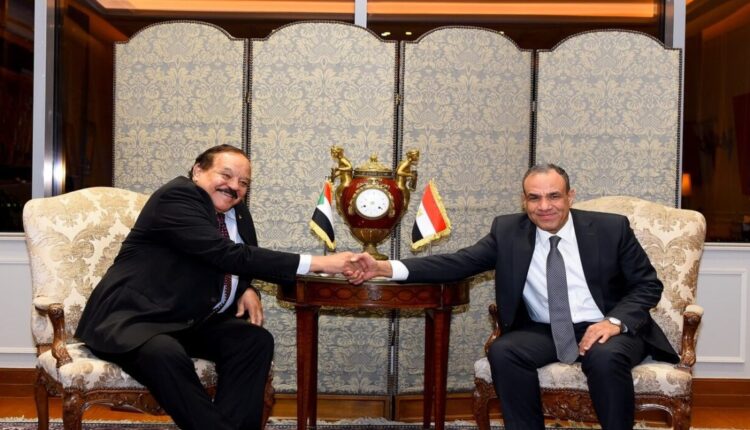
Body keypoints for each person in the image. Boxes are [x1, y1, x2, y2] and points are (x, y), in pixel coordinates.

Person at [348, 163, 678, 430]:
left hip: (607, 326)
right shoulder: (508, 232)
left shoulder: (610, 229)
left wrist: (614, 322)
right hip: (544, 330)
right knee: (504, 351)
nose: (544, 206)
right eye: (535, 198)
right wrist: (384, 268)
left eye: (554, 196)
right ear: (524, 201)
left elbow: (647, 285)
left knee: (604, 358)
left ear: (570, 196)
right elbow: (457, 263)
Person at [76, 145, 359, 430]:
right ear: (198, 171)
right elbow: (223, 253)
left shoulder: (238, 213)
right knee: (164, 353)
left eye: (243, 182)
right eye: (226, 175)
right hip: (134, 318)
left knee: (253, 341)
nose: (234, 186)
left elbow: (241, 262)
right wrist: (319, 263)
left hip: (187, 320)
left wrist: (246, 289)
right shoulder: (177, 196)